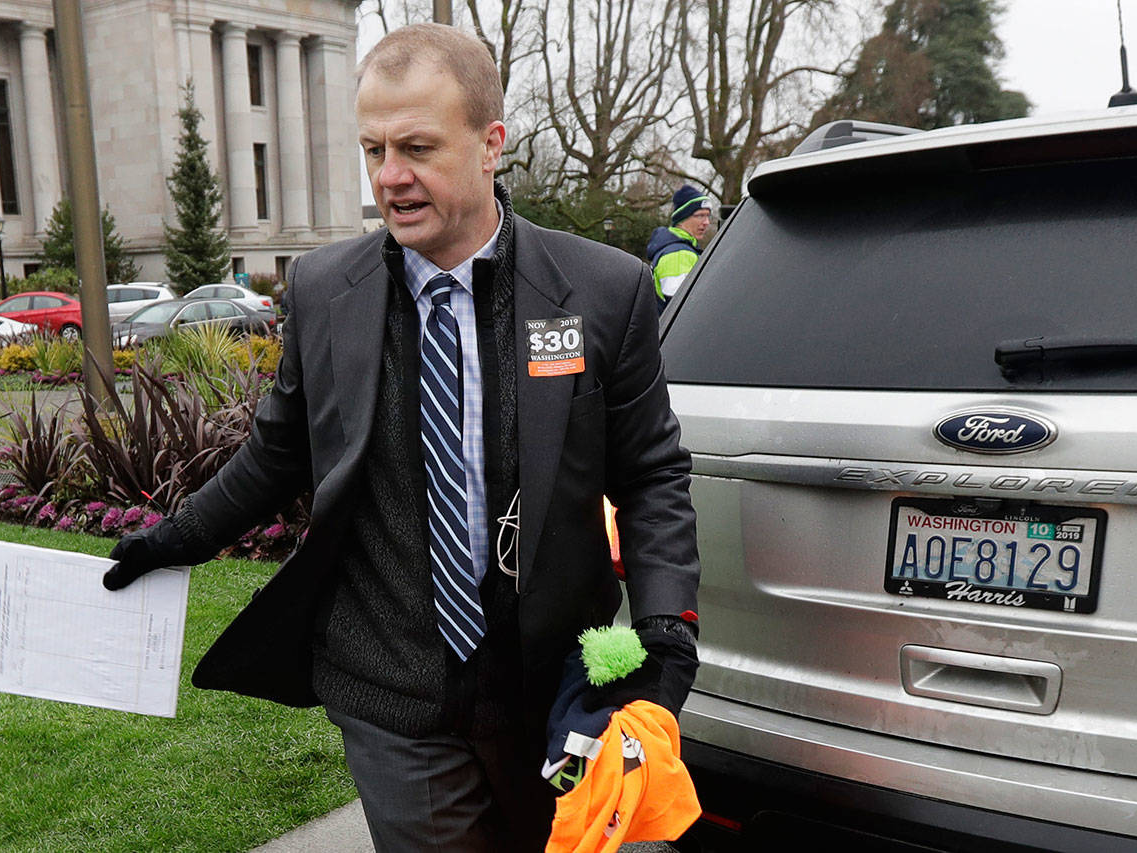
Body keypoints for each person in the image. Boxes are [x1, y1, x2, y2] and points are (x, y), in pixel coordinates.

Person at [102, 22, 699, 852]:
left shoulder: (602, 291)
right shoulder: (323, 290)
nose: (390, 177)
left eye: (416, 147)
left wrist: (669, 624)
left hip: (550, 688)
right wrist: (175, 537)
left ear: (491, 144)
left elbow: (651, 473)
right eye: (373, 149)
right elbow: (280, 452)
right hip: (389, 688)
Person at [645, 184, 711, 313]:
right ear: (682, 218)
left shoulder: (680, 248)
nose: (706, 222)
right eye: (700, 215)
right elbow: (683, 309)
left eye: (708, 216)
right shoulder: (678, 254)